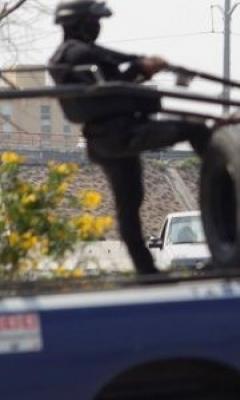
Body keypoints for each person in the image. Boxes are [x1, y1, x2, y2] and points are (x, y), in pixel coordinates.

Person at [48, 0, 212, 274]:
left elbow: (113, 83)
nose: (98, 25)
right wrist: (142, 70)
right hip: (121, 134)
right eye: (94, 20)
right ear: (81, 23)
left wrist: (140, 67)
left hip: (105, 140)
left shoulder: (73, 55)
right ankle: (221, 181)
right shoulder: (78, 56)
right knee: (196, 129)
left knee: (129, 204)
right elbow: (113, 93)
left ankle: (146, 273)